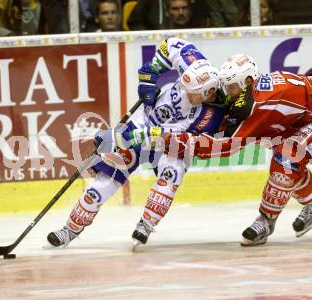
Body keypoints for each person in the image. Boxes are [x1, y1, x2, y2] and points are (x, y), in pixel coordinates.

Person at [47, 38, 227, 249]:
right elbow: (169, 44)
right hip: (143, 121)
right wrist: (150, 75)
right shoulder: (194, 63)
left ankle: (146, 224)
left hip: (168, 142)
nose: (187, 92)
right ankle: (70, 229)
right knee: (106, 178)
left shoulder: (212, 116)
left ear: (209, 92)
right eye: (185, 86)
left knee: (172, 174)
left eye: (193, 92)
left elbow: (164, 136)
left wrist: (120, 136)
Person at [163, 54, 312, 246]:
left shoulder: (256, 104)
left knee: (287, 157)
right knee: (281, 151)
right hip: (308, 116)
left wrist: (175, 143)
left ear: (248, 81)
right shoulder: (254, 92)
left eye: (231, 87)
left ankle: (266, 221)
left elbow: (226, 146)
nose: (228, 92)